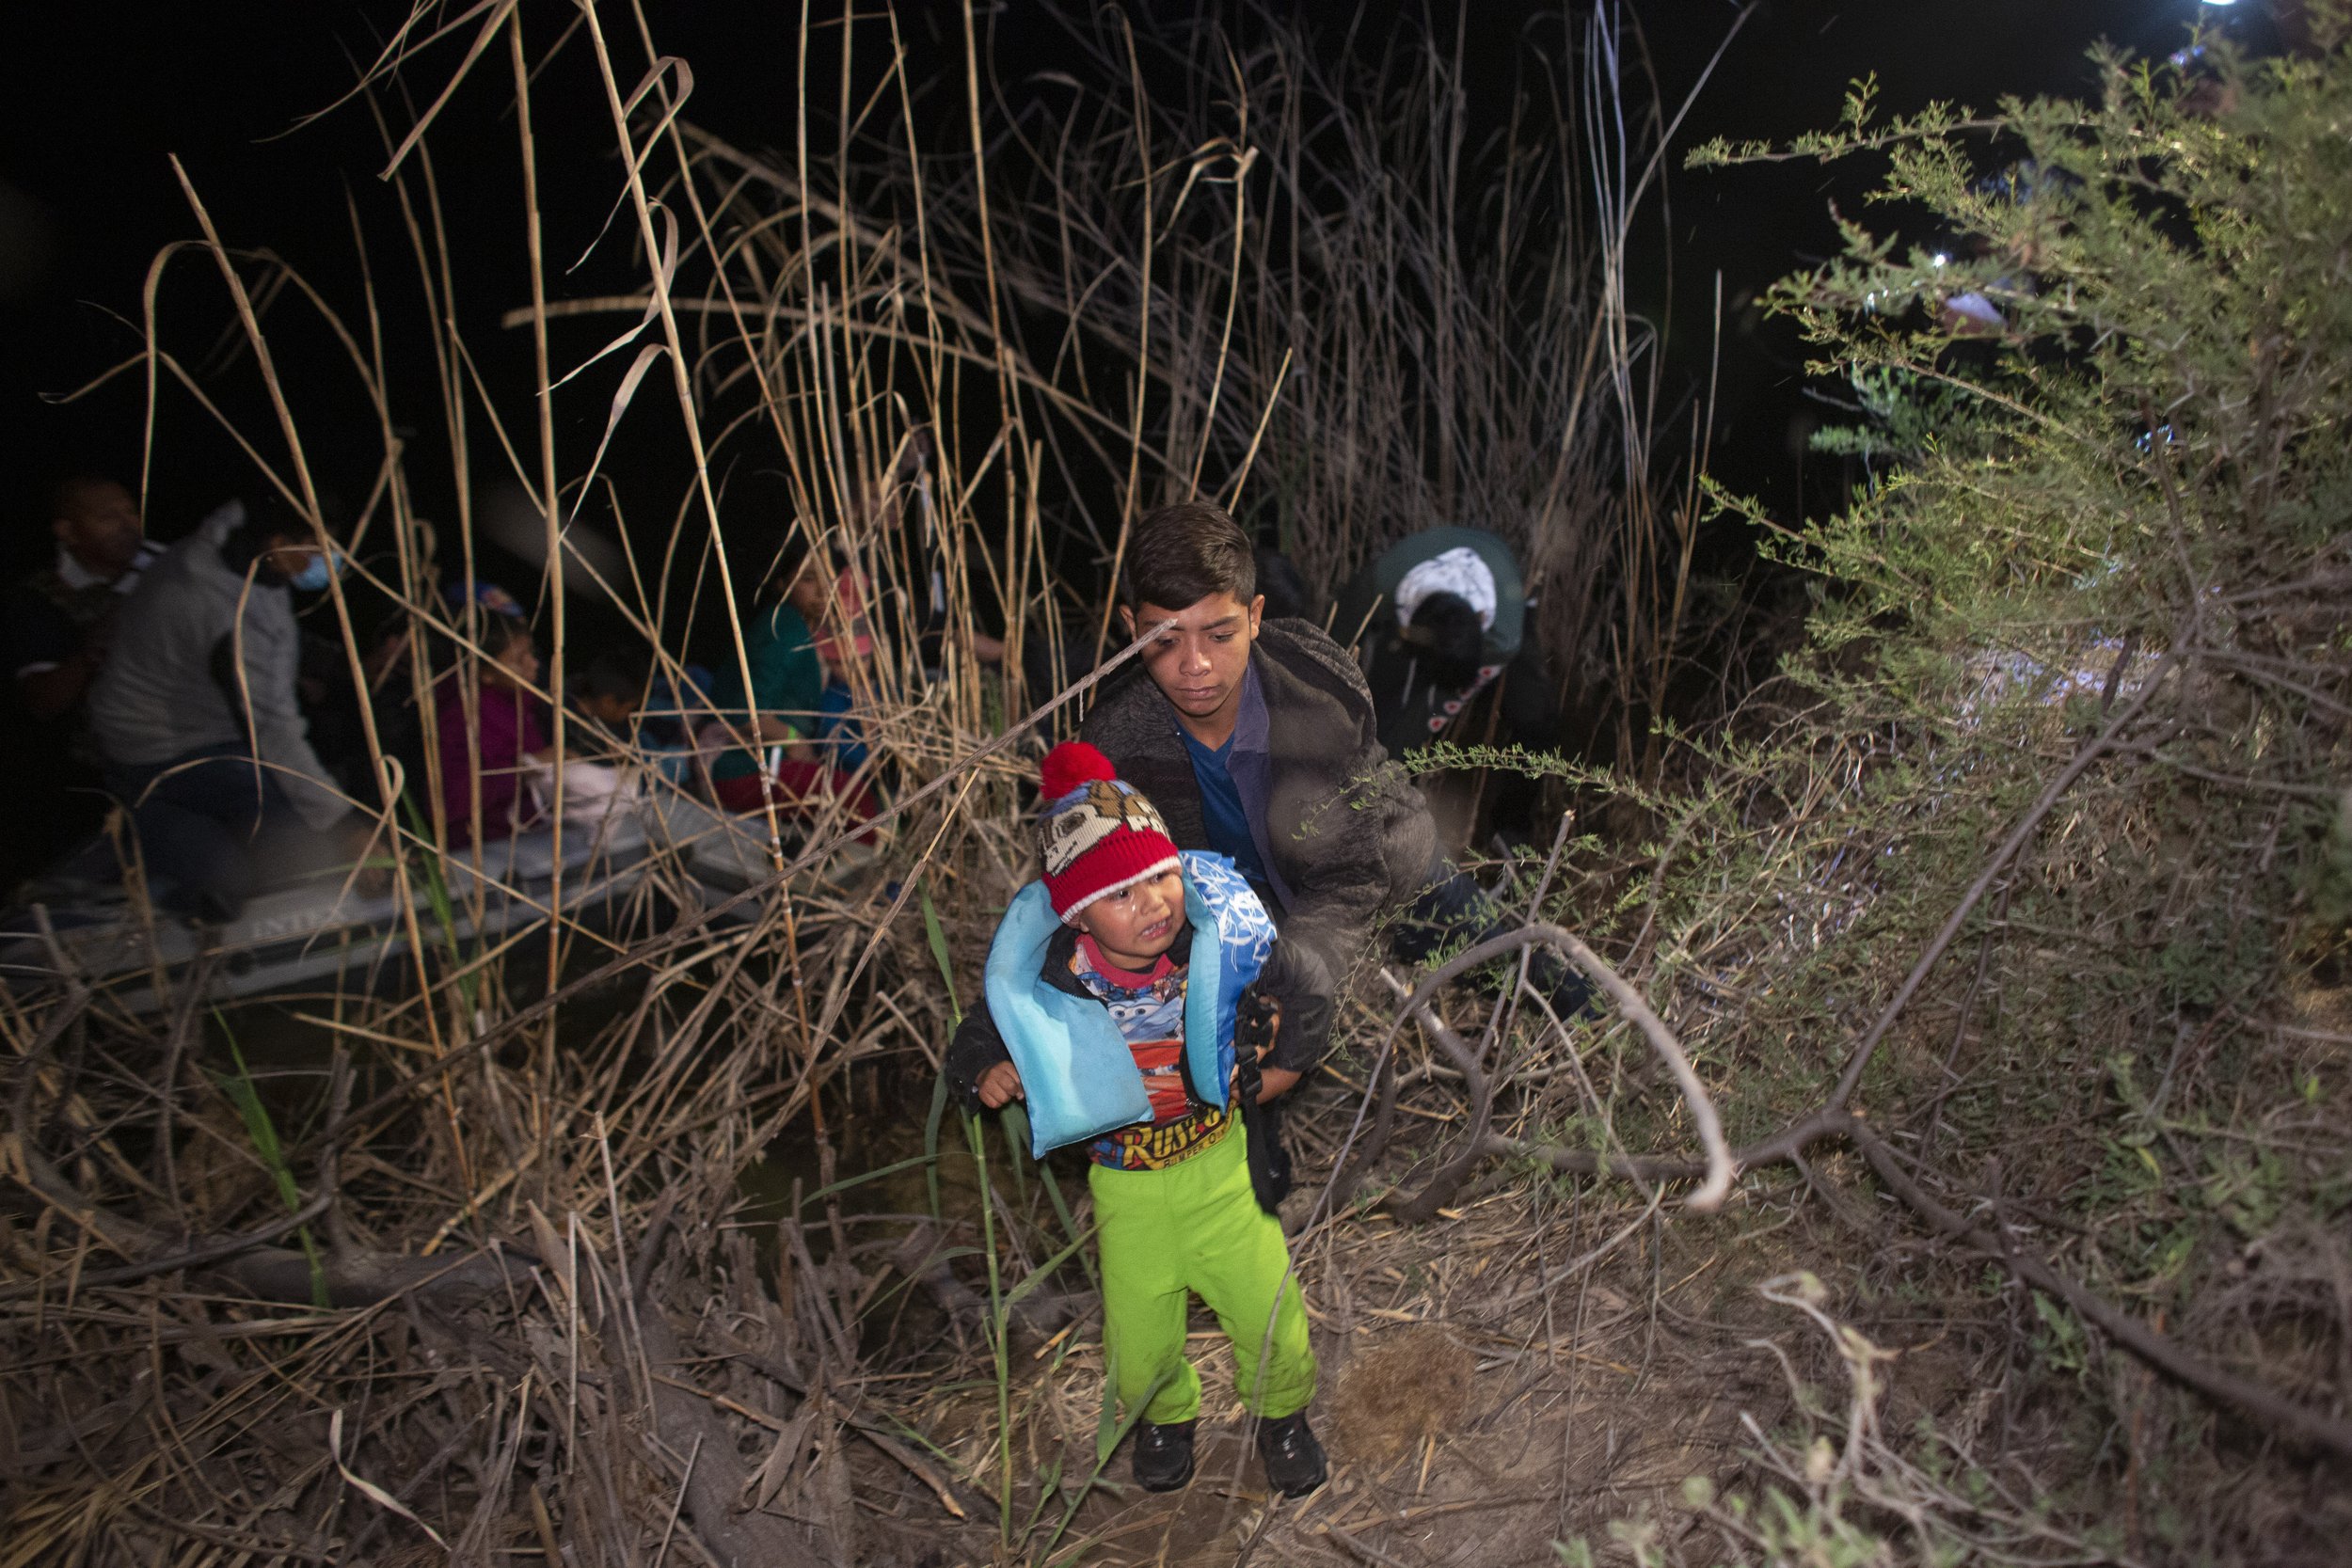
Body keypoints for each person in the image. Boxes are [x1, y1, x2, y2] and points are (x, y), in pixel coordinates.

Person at [945, 742, 1329, 1497]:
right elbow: (978, 1035)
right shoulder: (1051, 978)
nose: (1153, 902)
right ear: (1078, 913)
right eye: (1122, 892)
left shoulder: (1212, 945)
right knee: (1139, 1334)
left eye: (1160, 876)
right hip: (1126, 1186)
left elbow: (1306, 983)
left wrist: (1288, 1053)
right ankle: (1164, 1417)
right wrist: (983, 1073)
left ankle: (1282, 1416)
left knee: (1269, 1308)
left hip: (1220, 1166)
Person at [1080, 501, 1589, 1027]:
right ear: (1130, 627)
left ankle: (1598, 1021)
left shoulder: (1317, 694)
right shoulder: (1116, 741)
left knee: (1495, 955)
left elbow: (1350, 874)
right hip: (1250, 909)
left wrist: (1297, 994)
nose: (1195, 664)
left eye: (1219, 635)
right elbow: (1104, 894)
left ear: (1255, 617)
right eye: (1164, 640)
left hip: (1387, 858)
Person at [87, 499, 362, 921]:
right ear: (279, 543)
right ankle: (132, 864)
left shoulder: (236, 548)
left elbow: (281, 643)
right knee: (287, 853)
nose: (329, 558)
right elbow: (271, 728)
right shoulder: (222, 606)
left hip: (196, 724)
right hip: (160, 748)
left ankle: (164, 840)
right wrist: (343, 824)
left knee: (276, 827)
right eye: (318, 546)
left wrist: (348, 667)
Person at [707, 540, 876, 828]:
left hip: (770, 765)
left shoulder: (807, 627)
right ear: (783, 583)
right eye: (809, 579)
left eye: (828, 578)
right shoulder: (783, 629)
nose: (823, 590)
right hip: (745, 770)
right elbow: (748, 712)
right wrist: (795, 740)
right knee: (856, 802)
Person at [1330, 526, 1529, 759]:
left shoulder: (1504, 639)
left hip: (1495, 563)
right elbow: (1333, 642)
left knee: (1425, 712)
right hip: (1404, 592)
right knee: (1379, 680)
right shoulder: (1378, 584)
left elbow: (1429, 710)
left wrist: (1388, 763)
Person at [434, 611, 554, 847]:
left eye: (532, 653)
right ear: (484, 673)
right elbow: (452, 800)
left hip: (532, 830)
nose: (534, 663)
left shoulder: (524, 701)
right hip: (486, 845)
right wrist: (526, 767)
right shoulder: (464, 718)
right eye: (519, 659)